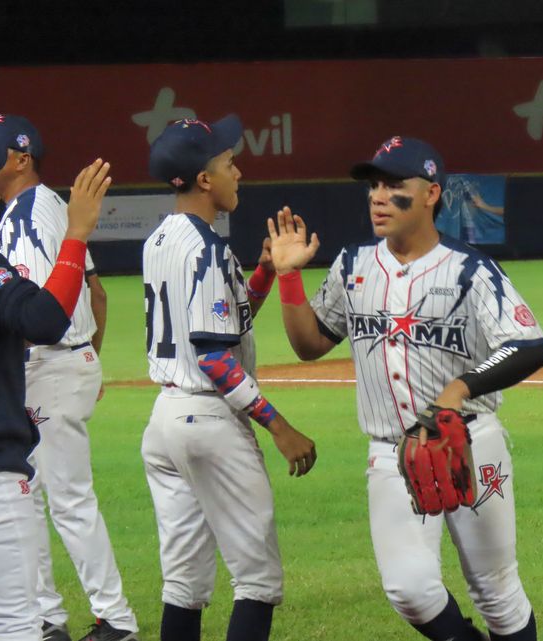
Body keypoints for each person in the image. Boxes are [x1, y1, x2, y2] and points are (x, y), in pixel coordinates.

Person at [269, 136, 543, 641]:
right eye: (373, 185)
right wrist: (288, 278)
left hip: (470, 442)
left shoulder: (470, 270)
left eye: (394, 185)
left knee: (496, 592)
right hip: (391, 453)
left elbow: (529, 346)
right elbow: (310, 344)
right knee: (409, 590)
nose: (378, 196)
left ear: (430, 194)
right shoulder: (353, 266)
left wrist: (459, 388)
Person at [141, 115, 318, 641]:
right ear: (203, 179)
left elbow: (221, 324)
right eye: (228, 163)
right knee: (257, 581)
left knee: (184, 585)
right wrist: (277, 424)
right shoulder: (210, 249)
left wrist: (262, 274)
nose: (237, 172)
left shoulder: (157, 241)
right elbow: (216, 357)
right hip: (210, 420)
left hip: (166, 423)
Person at [0, 115, 137, 641]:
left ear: (19, 157)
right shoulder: (49, 205)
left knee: (67, 498)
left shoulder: (27, 215)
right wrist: (88, 360)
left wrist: (75, 360)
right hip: (62, 361)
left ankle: (115, 619)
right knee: (25, 496)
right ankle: (45, 615)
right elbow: (95, 292)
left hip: (48, 362)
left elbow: (33, 317)